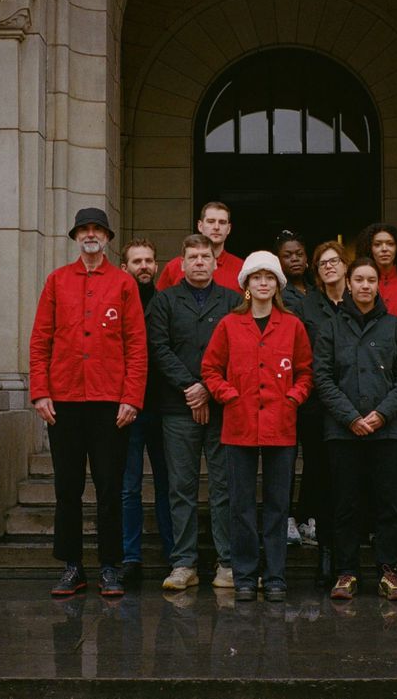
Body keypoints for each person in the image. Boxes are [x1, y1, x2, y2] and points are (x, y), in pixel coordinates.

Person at [29, 207, 147, 598]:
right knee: (67, 488)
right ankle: (72, 566)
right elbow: (40, 340)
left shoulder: (123, 283)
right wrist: (40, 391)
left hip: (110, 402)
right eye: (84, 229)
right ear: (76, 236)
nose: (91, 235)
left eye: (97, 229)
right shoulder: (57, 281)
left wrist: (131, 397)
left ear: (108, 238)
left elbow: (137, 346)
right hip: (63, 399)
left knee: (110, 487)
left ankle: (110, 567)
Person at [202, 251, 314, 603]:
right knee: (241, 504)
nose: (263, 283)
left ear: (277, 284)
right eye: (256, 277)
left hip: (281, 425)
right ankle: (246, 575)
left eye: (269, 277)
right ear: (246, 285)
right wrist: (228, 394)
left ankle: (276, 575)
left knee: (279, 504)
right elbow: (210, 369)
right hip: (239, 424)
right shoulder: (229, 325)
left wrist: (294, 396)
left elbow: (305, 371)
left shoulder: (292, 325)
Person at [313, 256, 397, 602]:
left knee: (388, 503)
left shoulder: (396, 327)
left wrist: (380, 415)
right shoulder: (331, 327)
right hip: (343, 432)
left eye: (371, 280)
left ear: (378, 284)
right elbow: (322, 377)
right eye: (359, 279)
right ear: (349, 282)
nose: (365, 286)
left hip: (386, 431)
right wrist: (351, 417)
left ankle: (388, 571)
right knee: (345, 503)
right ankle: (347, 572)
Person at [146, 235, 241, 592]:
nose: (200, 262)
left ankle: (227, 563)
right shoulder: (164, 301)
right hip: (177, 407)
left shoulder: (233, 301)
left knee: (223, 486)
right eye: (193, 257)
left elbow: (238, 350)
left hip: (220, 407)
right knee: (181, 487)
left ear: (216, 263)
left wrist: (208, 389)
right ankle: (184, 563)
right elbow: (159, 348)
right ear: (181, 264)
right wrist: (191, 387)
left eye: (206, 256)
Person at [289, 239, 350, 587]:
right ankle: (327, 552)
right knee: (321, 473)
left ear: (345, 265)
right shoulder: (306, 306)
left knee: (349, 479)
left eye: (334, 261)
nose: (328, 267)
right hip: (315, 405)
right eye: (322, 263)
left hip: (355, 404)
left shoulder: (361, 299)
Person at [118, 238, 174, 583]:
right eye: (136, 261)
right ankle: (130, 558)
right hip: (128, 408)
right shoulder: (119, 300)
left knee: (170, 486)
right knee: (129, 488)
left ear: (156, 266)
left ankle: (175, 555)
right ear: (125, 267)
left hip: (164, 406)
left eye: (149, 261)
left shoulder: (166, 302)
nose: (143, 266)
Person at [274, 228, 311, 547]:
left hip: (313, 384)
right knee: (285, 457)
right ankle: (285, 518)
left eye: (299, 253)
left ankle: (307, 515)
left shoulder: (316, 291)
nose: (295, 258)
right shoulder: (275, 294)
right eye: (288, 254)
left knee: (314, 457)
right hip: (282, 387)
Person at [157, 202, 243, 292]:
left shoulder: (241, 268)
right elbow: (160, 302)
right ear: (200, 226)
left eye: (222, 222)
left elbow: (249, 303)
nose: (216, 227)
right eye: (211, 221)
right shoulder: (174, 267)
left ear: (228, 229)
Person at [355, 222, 397, 318]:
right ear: (369, 248)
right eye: (377, 244)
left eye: (390, 244)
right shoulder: (359, 284)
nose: (384, 249)